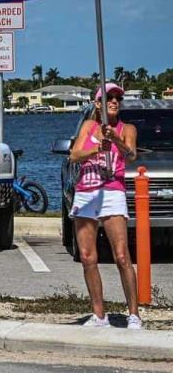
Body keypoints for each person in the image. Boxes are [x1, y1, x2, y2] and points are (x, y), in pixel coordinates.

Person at [69, 83, 141, 329]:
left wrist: (116, 140)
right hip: (86, 191)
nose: (114, 101)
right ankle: (99, 315)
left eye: (117, 98)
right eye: (108, 97)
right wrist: (97, 148)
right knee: (88, 256)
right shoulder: (89, 126)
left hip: (112, 191)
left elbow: (131, 155)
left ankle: (134, 314)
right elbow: (74, 155)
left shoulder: (127, 128)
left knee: (121, 255)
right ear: (97, 104)